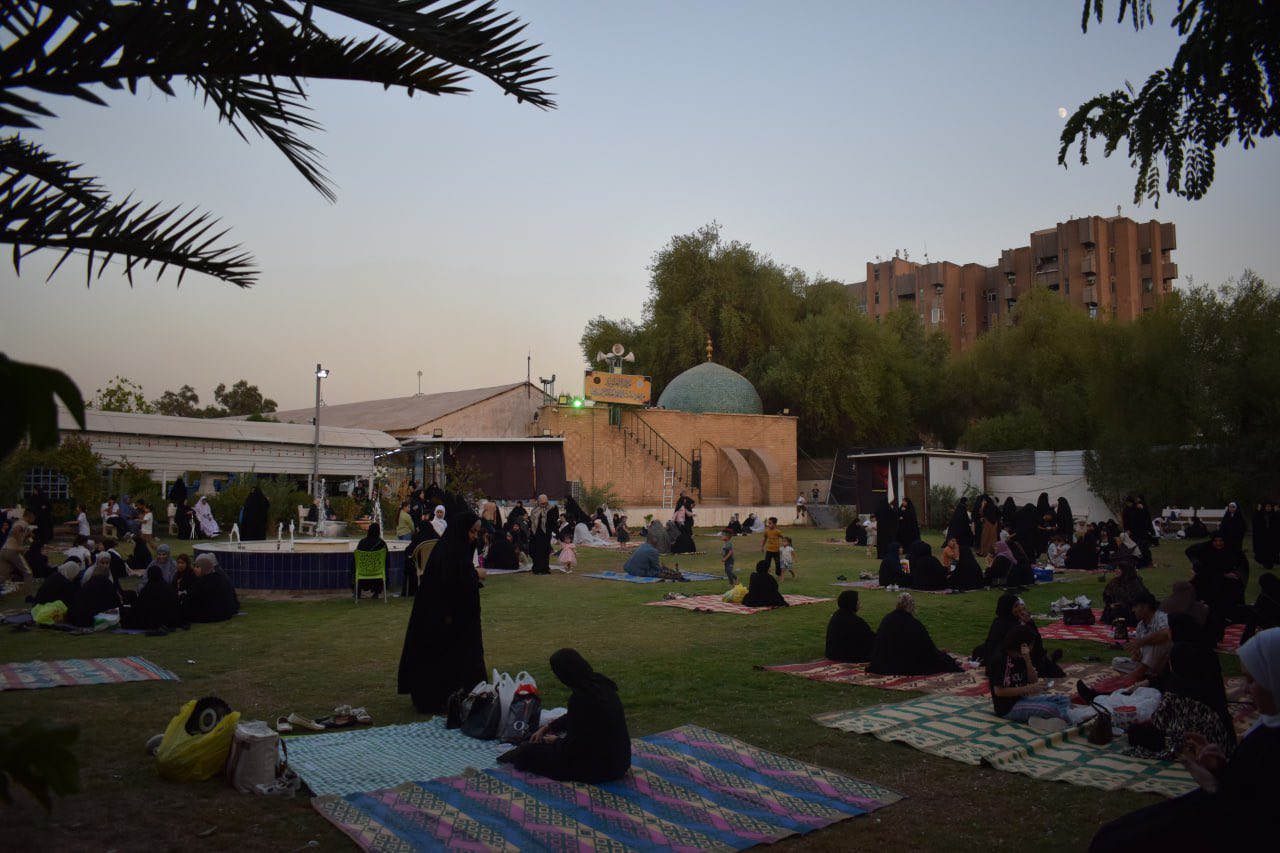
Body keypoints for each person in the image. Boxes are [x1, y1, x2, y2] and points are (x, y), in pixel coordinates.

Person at [1088, 628, 1280, 850]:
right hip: (1218, 802)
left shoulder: (1272, 743)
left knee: (1115, 841)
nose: (1246, 690)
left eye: (1252, 680)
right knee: (1114, 833)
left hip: (1223, 823)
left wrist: (1213, 785)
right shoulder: (1265, 724)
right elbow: (1246, 783)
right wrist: (1219, 769)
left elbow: (1251, 815)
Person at [398, 511, 486, 713]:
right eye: (472, 531)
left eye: (476, 532)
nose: (474, 536)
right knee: (441, 659)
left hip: (453, 618)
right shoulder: (448, 553)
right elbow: (454, 582)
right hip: (443, 619)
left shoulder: (453, 550)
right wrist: (476, 574)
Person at [500, 648, 630, 783]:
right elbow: (575, 717)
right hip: (621, 763)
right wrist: (547, 728)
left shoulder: (580, 698)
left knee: (528, 753)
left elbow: (575, 748)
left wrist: (555, 741)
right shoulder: (602, 685)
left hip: (599, 769)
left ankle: (514, 755)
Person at [1077, 592, 1171, 701]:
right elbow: (1141, 651)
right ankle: (1142, 673)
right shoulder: (1141, 626)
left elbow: (1166, 633)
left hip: (1164, 663)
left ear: (1145, 606)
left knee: (1155, 644)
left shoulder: (1161, 617)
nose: (1133, 610)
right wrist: (1137, 654)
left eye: (1135, 607)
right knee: (1117, 661)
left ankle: (1105, 692)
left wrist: (1141, 643)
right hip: (1149, 664)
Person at [987, 624, 1072, 732]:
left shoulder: (1021, 657)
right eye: (1031, 645)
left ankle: (1051, 721)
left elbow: (1033, 680)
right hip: (1008, 708)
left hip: (1022, 699)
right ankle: (1067, 722)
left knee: (1062, 699)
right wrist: (1028, 688)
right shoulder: (1001, 660)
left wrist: (1027, 660)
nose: (1032, 648)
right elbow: (999, 691)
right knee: (1050, 708)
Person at [868, 593, 961, 675]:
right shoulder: (913, 624)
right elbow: (928, 649)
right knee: (940, 659)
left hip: (884, 663)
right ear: (911, 607)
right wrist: (945, 658)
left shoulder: (887, 619)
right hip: (905, 664)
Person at [1185, 531, 1249, 622]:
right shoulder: (1205, 547)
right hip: (1208, 576)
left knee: (1233, 587)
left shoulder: (1232, 550)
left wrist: (1236, 573)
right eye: (1215, 541)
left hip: (1227, 578)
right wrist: (1196, 564)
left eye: (1221, 541)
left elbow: (1242, 565)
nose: (1218, 543)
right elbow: (1190, 551)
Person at [122, 565, 186, 631]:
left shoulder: (147, 589)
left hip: (153, 620)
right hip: (170, 619)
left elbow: (139, 607)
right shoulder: (168, 587)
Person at [180, 554, 240, 623]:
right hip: (224, 613)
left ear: (204, 568)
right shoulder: (219, 577)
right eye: (194, 567)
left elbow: (190, 597)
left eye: (197, 567)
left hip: (211, 615)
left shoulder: (203, 582)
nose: (194, 569)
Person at [66, 555, 122, 628]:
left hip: (72, 617)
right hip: (87, 619)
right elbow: (115, 602)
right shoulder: (105, 582)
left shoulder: (89, 583)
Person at [825, 590, 875, 663]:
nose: (859, 602)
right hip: (847, 656)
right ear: (851, 602)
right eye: (857, 600)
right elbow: (870, 640)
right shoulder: (855, 621)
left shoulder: (837, 615)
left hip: (833, 653)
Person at [1, 509, 34, 599]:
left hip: (4, 550)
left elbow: (16, 533)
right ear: (29, 516)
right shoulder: (23, 523)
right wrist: (19, 545)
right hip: (13, 551)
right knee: (28, 573)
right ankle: (29, 596)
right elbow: (17, 530)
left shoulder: (18, 522)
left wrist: (27, 535)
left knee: (3, 576)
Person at [353, 523, 388, 597]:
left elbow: (355, 559)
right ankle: (376, 592)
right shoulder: (382, 544)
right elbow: (387, 560)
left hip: (363, 572)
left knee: (353, 567)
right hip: (377, 572)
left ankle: (357, 592)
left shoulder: (362, 542)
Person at [528, 495, 558, 574]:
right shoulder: (534, 510)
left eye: (545, 503)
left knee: (544, 552)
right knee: (535, 551)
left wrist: (557, 533)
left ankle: (544, 569)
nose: (544, 505)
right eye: (542, 503)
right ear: (538, 502)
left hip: (545, 534)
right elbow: (531, 520)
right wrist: (529, 528)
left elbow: (553, 522)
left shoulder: (551, 510)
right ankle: (536, 568)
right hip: (535, 534)